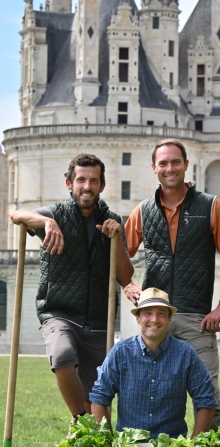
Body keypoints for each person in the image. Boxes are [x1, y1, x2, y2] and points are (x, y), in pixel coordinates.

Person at [10, 153, 141, 426]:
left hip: (97, 321)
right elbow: (16, 214)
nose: (87, 186)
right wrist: (46, 222)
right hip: (59, 312)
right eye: (81, 180)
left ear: (102, 186)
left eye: (93, 180)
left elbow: (125, 276)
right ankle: (79, 420)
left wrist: (116, 237)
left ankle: (90, 438)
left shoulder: (112, 220)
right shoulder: (55, 214)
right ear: (69, 183)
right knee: (62, 355)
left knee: (100, 407)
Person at [124, 138, 220, 430]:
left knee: (210, 400)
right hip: (156, 318)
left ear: (186, 166)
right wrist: (127, 284)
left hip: (196, 319)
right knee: (152, 397)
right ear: (154, 168)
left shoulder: (210, 206)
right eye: (163, 163)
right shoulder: (143, 211)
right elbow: (116, 254)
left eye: (175, 162)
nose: (170, 168)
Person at [90, 288, 218, 438]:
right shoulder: (120, 353)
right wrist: (108, 445)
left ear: (170, 318)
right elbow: (99, 398)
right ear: (137, 318)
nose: (154, 319)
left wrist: (193, 446)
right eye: (148, 313)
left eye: (161, 314)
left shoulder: (185, 353)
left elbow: (206, 399)